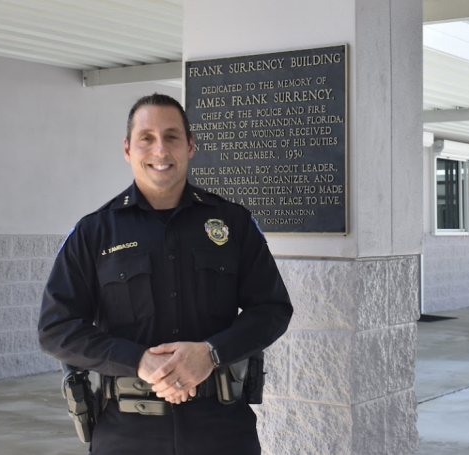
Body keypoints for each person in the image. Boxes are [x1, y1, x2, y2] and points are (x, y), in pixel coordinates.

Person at [38, 93, 293, 455]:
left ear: (190, 146)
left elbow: (272, 310)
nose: (160, 150)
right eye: (147, 138)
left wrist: (211, 353)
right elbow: (55, 330)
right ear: (128, 149)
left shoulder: (232, 223)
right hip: (127, 432)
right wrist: (138, 360)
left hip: (220, 429)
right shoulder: (94, 233)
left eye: (172, 136)